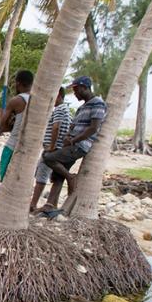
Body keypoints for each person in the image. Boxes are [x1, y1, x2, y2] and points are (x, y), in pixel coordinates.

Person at [41, 76, 107, 211]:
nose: (75, 93)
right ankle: (50, 206)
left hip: (79, 146)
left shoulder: (98, 104)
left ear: (85, 88)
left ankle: (71, 178)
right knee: (58, 175)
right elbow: (73, 126)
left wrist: (73, 140)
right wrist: (67, 137)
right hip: (71, 144)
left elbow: (93, 127)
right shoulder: (82, 108)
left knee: (47, 157)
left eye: (76, 90)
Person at [29, 86, 70, 212]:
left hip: (53, 149)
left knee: (41, 176)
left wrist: (51, 148)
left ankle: (33, 204)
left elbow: (56, 127)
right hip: (58, 148)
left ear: (57, 96)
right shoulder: (66, 110)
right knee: (53, 177)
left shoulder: (59, 109)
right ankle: (52, 204)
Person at [0, 70, 33, 180]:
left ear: (18, 83)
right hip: (30, 150)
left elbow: (2, 127)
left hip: (12, 146)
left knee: (5, 179)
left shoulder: (16, 100)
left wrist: (11, 126)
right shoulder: (39, 101)